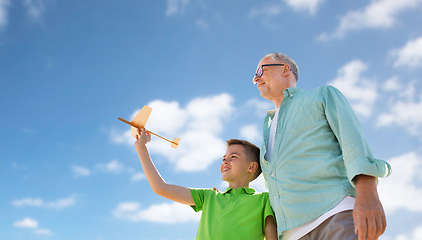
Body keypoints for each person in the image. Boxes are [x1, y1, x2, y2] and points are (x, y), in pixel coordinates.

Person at [252, 52, 391, 240]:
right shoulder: (266, 131)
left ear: (285, 69)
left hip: (335, 216)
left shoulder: (322, 96)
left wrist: (368, 193)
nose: (255, 78)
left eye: (261, 70)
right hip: (291, 234)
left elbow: (353, 142)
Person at [134, 127, 277, 240]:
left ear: (251, 167)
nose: (225, 161)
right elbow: (161, 188)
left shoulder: (263, 200)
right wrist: (141, 148)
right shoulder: (209, 197)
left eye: (233, 157)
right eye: (224, 158)